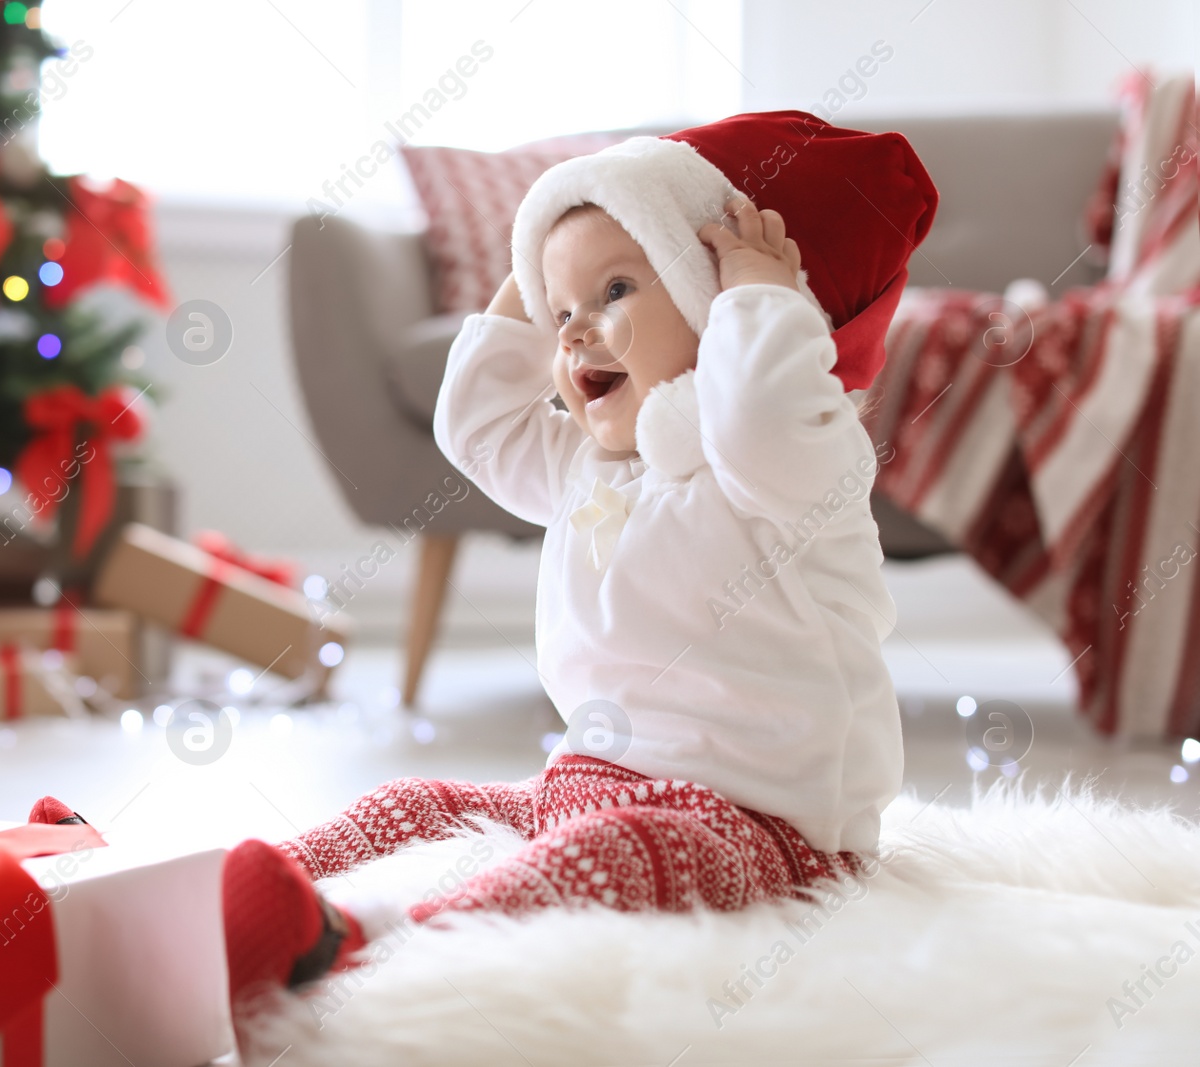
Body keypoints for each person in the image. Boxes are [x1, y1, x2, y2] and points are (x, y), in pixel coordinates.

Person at [230, 112, 937, 1007]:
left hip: (770, 830)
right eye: (559, 313)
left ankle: (377, 943)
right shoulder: (587, 464)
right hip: (587, 781)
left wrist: (759, 294)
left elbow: (760, 409)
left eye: (615, 291)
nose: (571, 334)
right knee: (420, 802)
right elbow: (474, 424)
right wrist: (541, 278)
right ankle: (234, 893)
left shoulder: (789, 462)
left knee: (602, 861)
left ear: (720, 301)